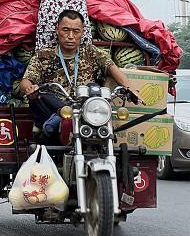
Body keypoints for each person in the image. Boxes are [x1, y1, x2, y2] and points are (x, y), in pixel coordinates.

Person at [20, 10, 132, 140]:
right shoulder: (43, 55)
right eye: (65, 30)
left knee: (94, 87)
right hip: (52, 109)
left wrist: (130, 88)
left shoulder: (91, 51)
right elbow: (26, 81)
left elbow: (113, 68)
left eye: (76, 31)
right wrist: (29, 88)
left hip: (87, 111)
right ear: (57, 30)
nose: (70, 36)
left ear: (83, 32)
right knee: (42, 92)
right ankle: (58, 120)